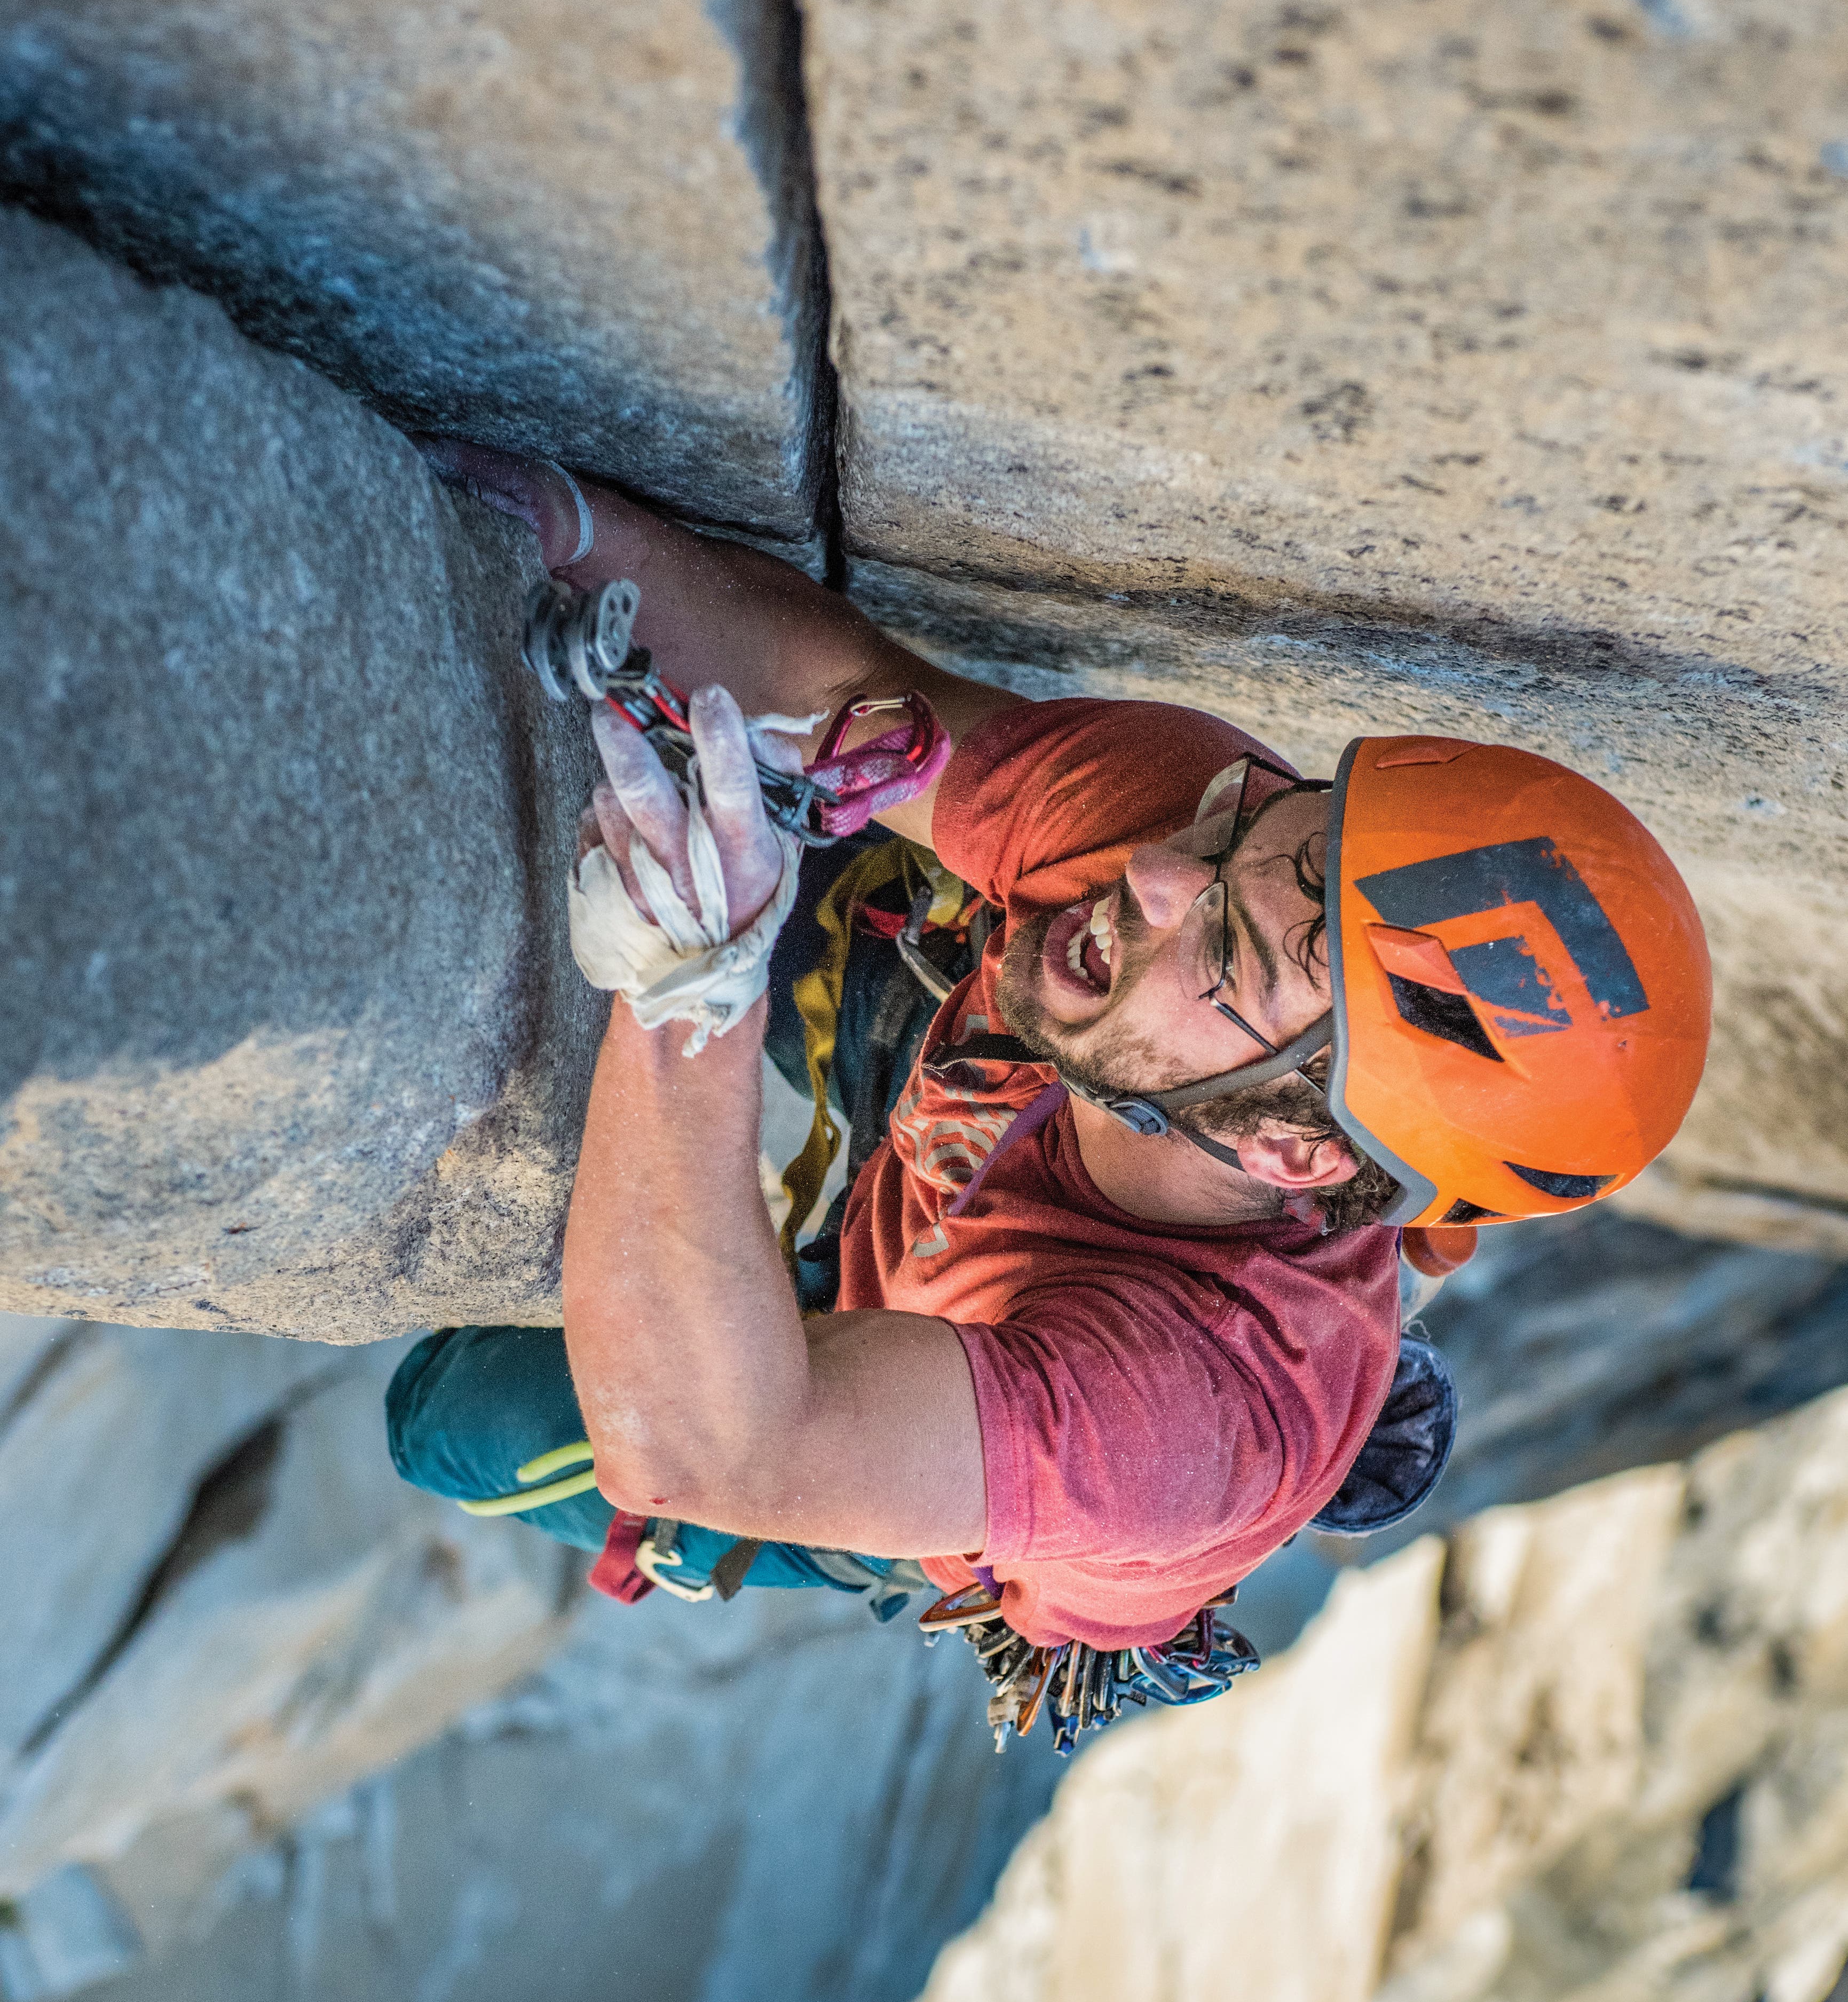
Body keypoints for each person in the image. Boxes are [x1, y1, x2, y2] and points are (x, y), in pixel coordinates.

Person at [388, 442, 1711, 1686]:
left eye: (1232, 943)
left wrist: (694, 993)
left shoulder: (1180, 1421)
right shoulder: (1186, 819)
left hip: (1020, 1361)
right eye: (1252, 824)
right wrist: (568, 527)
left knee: (447, 1416)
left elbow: (704, 1448)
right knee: (869, 844)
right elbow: (855, 703)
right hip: (986, 1091)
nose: (1156, 870)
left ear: (1295, 1149)